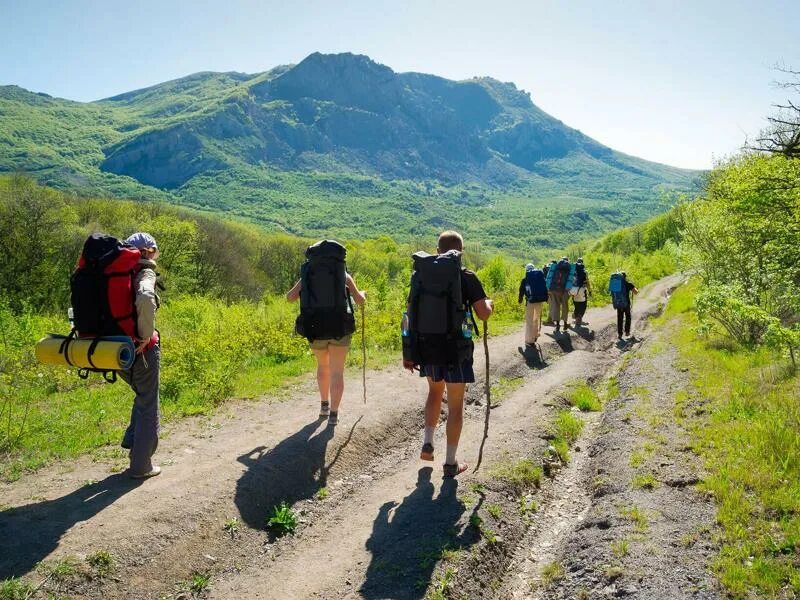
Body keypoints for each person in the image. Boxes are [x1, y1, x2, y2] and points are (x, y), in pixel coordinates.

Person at [403, 231, 493, 478]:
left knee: (434, 392)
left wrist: (409, 350)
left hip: (428, 347)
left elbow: (410, 313)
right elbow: (483, 313)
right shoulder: (466, 276)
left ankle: (428, 442)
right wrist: (490, 304)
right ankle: (451, 463)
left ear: (437, 250)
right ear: (460, 252)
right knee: (455, 405)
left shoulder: (420, 275)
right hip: (457, 350)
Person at [286, 255, 366, 426]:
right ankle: (334, 415)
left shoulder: (307, 274)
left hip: (315, 328)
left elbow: (290, 297)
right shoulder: (343, 274)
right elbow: (359, 300)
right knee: (337, 372)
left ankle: (324, 406)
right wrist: (362, 294)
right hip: (340, 328)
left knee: (323, 366)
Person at [119, 232, 162, 479]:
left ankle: (133, 441)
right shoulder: (144, 272)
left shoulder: (116, 274)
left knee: (141, 395)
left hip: (114, 349)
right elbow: (145, 296)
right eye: (155, 250)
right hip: (140, 349)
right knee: (148, 403)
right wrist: (145, 335)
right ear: (147, 251)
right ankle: (141, 465)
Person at [518, 263, 547, 347]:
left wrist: (520, 300)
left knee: (529, 321)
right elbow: (545, 287)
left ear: (526, 270)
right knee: (536, 319)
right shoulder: (540, 278)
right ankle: (535, 336)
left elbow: (521, 291)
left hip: (530, 302)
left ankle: (529, 340)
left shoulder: (525, 279)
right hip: (539, 301)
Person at [548, 257, 571, 332]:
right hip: (564, 290)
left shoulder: (556, 267)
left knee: (556, 306)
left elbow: (550, 277)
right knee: (565, 306)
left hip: (554, 289)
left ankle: (557, 325)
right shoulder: (570, 267)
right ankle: (565, 324)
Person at [616, 271, 638, 340]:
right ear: (625, 277)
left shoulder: (617, 285)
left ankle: (620, 334)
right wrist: (633, 286)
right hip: (626, 304)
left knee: (620, 318)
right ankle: (627, 332)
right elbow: (636, 292)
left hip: (619, 304)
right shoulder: (628, 284)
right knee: (628, 317)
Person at [571, 258, 592, 326]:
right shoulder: (585, 272)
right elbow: (587, 282)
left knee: (576, 305)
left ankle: (576, 316)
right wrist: (590, 291)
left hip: (574, 291)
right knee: (583, 305)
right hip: (582, 290)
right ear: (582, 263)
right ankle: (579, 317)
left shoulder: (573, 272)